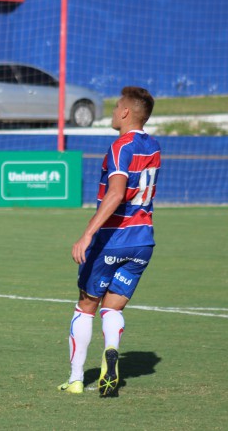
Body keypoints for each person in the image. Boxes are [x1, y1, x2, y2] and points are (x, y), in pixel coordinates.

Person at [58, 86, 161, 397]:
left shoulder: (120, 146)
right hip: (143, 240)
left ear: (126, 112)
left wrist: (88, 233)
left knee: (86, 305)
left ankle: (76, 378)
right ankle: (111, 351)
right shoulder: (153, 145)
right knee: (113, 307)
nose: (114, 111)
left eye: (117, 107)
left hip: (113, 239)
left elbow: (116, 193)